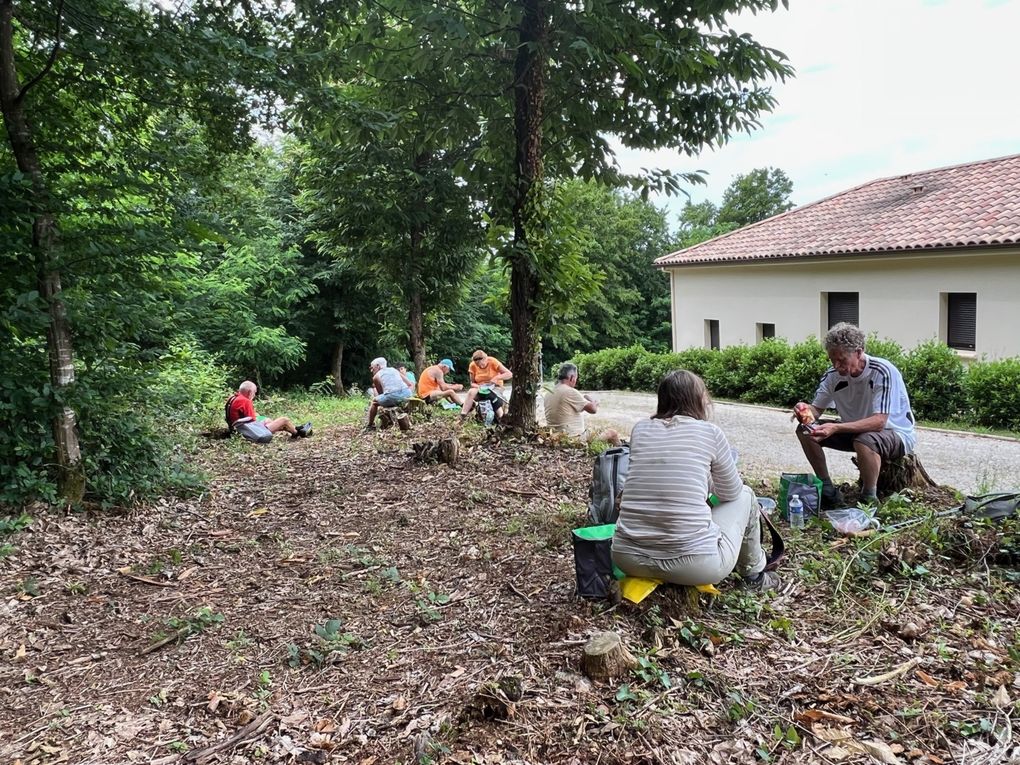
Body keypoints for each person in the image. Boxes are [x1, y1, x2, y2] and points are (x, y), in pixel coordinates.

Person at [611, 370, 778, 590]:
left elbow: (664, 475)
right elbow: (730, 494)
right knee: (745, 494)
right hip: (696, 566)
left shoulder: (640, 429)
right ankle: (754, 576)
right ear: (699, 400)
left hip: (627, 558)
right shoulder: (710, 432)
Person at [794, 322, 917, 508]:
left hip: (895, 434)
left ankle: (869, 498)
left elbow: (879, 422)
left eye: (842, 360)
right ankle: (827, 488)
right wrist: (804, 411)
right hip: (854, 431)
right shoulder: (832, 376)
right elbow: (816, 410)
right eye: (832, 360)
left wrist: (836, 427)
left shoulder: (882, 371)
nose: (836, 366)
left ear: (859, 352)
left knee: (865, 440)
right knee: (805, 430)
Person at [543, 362, 620, 445]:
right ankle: (625, 454)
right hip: (574, 439)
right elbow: (593, 410)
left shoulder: (549, 392)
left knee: (594, 431)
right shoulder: (570, 391)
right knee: (612, 433)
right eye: (576, 378)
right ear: (572, 378)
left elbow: (569, 409)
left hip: (556, 438)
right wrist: (594, 401)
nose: (576, 381)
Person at [226, 381, 312, 438]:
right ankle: (297, 433)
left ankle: (294, 429)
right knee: (284, 420)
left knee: (267, 420)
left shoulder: (233, 398)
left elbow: (248, 416)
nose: (254, 395)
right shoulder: (246, 401)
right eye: (254, 392)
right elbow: (253, 421)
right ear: (250, 392)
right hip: (250, 431)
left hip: (237, 428)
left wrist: (263, 419)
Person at [459, 349, 512, 424]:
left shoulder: (493, 361)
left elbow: (509, 374)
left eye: (482, 364)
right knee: (471, 392)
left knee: (491, 395)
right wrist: (478, 387)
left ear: (486, 359)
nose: (481, 366)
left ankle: (501, 418)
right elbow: (472, 383)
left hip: (495, 386)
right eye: (478, 365)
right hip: (481, 387)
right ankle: (463, 415)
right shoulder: (472, 365)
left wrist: (497, 378)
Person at [365, 357, 414, 431]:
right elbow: (409, 384)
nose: (371, 370)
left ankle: (370, 425)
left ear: (378, 366)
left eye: (372, 368)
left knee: (374, 402)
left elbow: (382, 394)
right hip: (407, 393)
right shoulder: (394, 370)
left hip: (392, 396)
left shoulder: (376, 376)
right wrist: (408, 394)